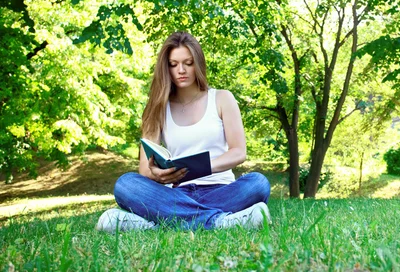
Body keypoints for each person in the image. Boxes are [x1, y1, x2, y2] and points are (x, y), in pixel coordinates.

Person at [96, 31, 271, 233]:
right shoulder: (158, 107)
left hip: (221, 190)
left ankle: (157, 226)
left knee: (258, 183)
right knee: (125, 184)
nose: (181, 70)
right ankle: (220, 222)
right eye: (173, 64)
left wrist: (201, 168)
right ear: (166, 68)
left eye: (188, 63)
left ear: (198, 63)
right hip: (175, 194)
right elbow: (144, 169)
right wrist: (158, 175)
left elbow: (238, 152)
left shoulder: (222, 98)